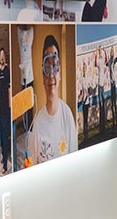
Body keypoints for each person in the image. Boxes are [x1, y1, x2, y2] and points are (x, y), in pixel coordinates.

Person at [27, 34, 79, 165]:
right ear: (42, 76)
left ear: (60, 73)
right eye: (47, 67)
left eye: (55, 67)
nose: (51, 75)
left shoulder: (67, 115)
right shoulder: (38, 124)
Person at [0, 47, 12, 174]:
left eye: (3, 56)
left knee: (5, 137)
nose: (2, 57)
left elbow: (8, 87)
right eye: (0, 56)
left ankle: (5, 165)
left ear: (5, 58)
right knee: (1, 136)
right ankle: (4, 157)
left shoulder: (7, 70)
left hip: (6, 109)